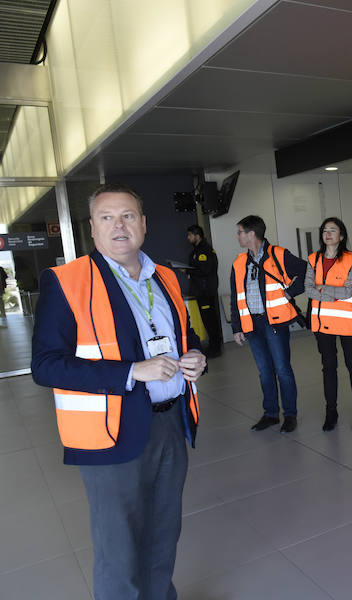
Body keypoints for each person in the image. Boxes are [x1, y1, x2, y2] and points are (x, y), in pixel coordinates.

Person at [31, 183, 205, 599]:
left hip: (170, 424)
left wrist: (195, 355)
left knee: (164, 533)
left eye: (127, 216)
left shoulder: (165, 277)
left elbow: (185, 334)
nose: (119, 226)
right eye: (107, 217)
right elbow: (45, 365)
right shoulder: (67, 281)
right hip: (110, 434)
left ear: (143, 224)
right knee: (119, 547)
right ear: (92, 228)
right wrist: (131, 372)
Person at [230, 215, 305, 433]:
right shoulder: (239, 263)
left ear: (251, 233)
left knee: (282, 370)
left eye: (240, 232)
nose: (238, 236)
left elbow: (308, 271)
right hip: (252, 325)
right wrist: (237, 327)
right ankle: (271, 414)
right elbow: (236, 297)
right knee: (264, 372)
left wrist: (290, 292)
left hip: (275, 323)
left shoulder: (279, 255)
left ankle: (290, 415)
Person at [306, 217, 352, 431]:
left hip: (348, 324)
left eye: (333, 230)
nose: (328, 233)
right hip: (323, 324)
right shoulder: (313, 259)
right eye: (324, 230)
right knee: (328, 368)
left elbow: (348, 291)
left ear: (341, 236)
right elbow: (308, 289)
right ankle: (331, 412)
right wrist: (332, 291)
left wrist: (322, 289)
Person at [186, 224, 222, 357]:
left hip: (206, 292)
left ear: (197, 236)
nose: (188, 238)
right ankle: (213, 346)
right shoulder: (197, 250)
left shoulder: (204, 250)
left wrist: (188, 271)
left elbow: (205, 270)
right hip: (202, 292)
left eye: (190, 235)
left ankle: (215, 349)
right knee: (208, 320)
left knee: (210, 321)